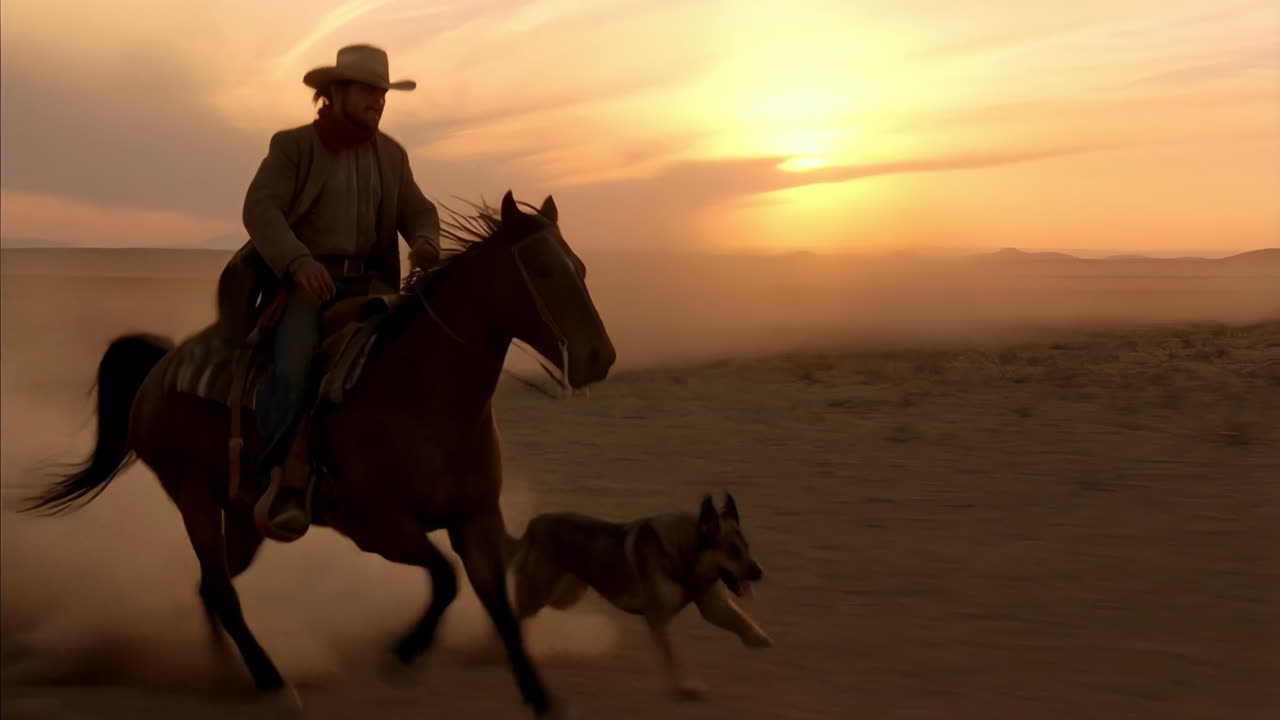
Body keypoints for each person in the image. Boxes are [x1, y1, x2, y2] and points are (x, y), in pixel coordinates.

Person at [241, 44, 442, 541]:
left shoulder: (391, 154)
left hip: (372, 283)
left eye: (384, 93)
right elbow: (260, 209)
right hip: (310, 284)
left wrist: (425, 241)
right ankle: (278, 481)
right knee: (293, 368)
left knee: (428, 357)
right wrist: (298, 261)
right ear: (336, 92)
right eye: (371, 91)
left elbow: (417, 208)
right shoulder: (293, 147)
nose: (380, 101)